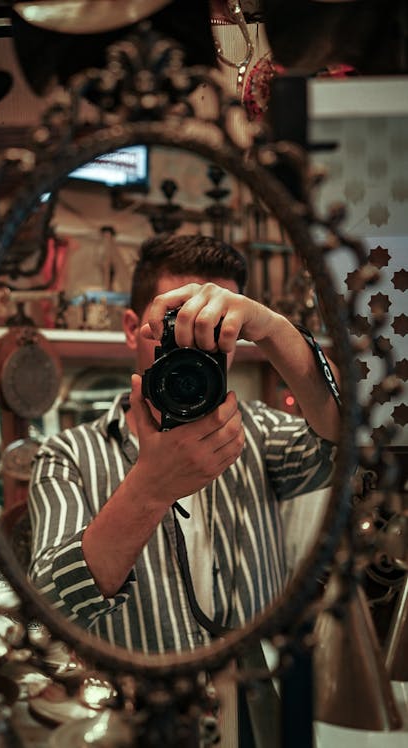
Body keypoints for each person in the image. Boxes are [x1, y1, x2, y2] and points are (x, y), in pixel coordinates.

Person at [28, 233, 339, 654]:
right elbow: (49, 603)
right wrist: (150, 488)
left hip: (251, 701)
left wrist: (273, 328)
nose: (193, 347)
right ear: (129, 327)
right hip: (133, 710)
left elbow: (349, 437)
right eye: (174, 327)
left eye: (218, 328)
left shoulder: (260, 432)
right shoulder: (68, 456)